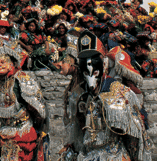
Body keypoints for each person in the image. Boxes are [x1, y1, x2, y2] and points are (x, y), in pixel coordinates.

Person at [60, 31, 150, 161]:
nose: (91, 83)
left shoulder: (121, 93)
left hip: (113, 155)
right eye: (85, 69)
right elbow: (78, 134)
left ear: (103, 64)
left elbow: (134, 138)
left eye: (95, 71)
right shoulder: (78, 95)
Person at [0, 38, 47, 161]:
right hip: (5, 131)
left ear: (11, 64)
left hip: (22, 131)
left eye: (3, 62)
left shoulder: (21, 79)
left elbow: (38, 109)